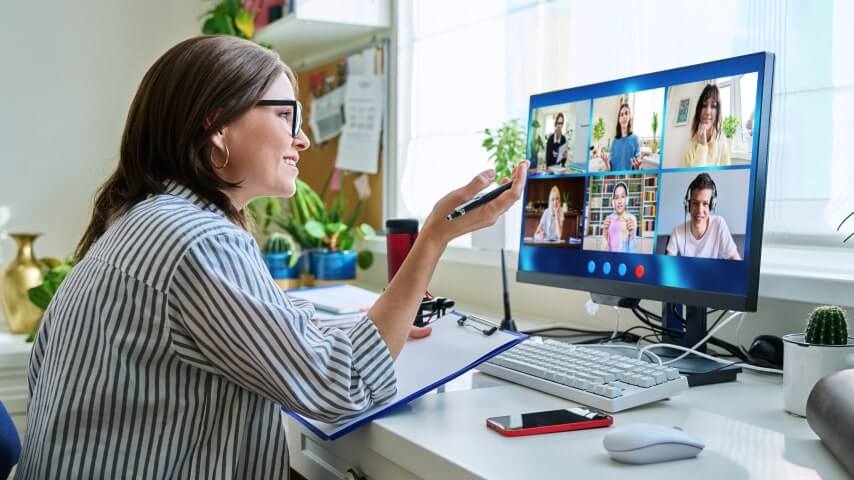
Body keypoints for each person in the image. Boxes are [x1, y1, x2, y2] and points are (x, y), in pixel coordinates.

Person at [15, 36, 528, 479]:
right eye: (285, 115)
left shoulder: (142, 220)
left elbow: (264, 332)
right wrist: (433, 238)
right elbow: (340, 386)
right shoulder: (198, 240)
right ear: (216, 126)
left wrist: (361, 325)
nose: (302, 138)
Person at [666, 173, 740, 260]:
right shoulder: (677, 231)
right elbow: (667, 264)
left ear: (711, 205)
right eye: (695, 203)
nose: (700, 210)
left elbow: (736, 260)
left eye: (705, 204)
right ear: (688, 205)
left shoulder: (719, 224)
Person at [683, 84, 731, 167]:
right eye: (704, 105)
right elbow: (694, 178)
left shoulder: (722, 142)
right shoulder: (690, 145)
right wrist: (702, 146)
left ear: (718, 112)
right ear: (699, 110)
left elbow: (727, 176)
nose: (708, 112)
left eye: (713, 106)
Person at [601, 182, 637, 252]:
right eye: (616, 197)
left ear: (626, 200)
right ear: (613, 202)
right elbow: (603, 250)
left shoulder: (632, 219)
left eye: (622, 197)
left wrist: (631, 235)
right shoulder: (608, 219)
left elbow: (633, 252)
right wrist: (605, 234)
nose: (619, 201)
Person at [608, 103, 641, 171]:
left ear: (629, 117)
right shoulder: (614, 141)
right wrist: (606, 162)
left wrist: (637, 167)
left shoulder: (635, 139)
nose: (624, 116)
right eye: (621, 114)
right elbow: (610, 168)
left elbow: (636, 167)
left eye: (626, 113)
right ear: (619, 119)